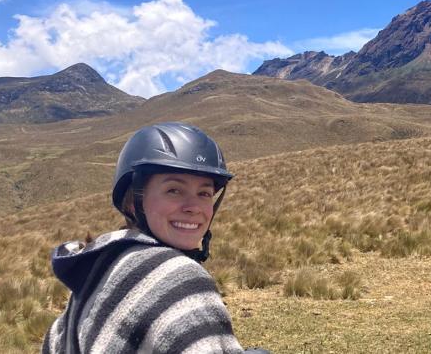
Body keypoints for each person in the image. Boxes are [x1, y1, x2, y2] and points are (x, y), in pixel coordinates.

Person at [42, 122, 266, 353]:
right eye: (174, 190)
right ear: (132, 200)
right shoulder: (178, 277)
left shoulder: (100, 267)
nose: (193, 207)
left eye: (204, 193)